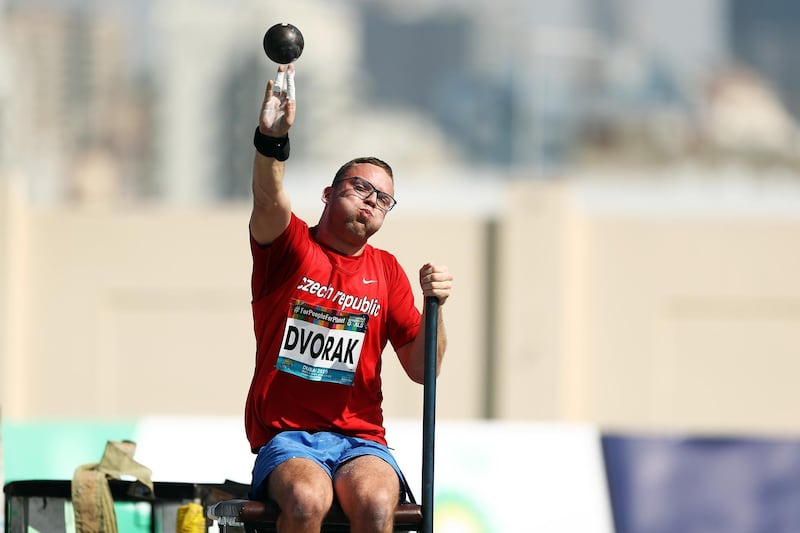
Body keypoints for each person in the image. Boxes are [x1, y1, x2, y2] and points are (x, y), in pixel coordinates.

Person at [244, 63, 453, 533]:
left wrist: (434, 310)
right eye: (360, 187)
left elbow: (424, 372)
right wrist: (270, 139)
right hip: (289, 437)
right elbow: (267, 196)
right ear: (327, 193)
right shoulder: (291, 247)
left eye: (382, 199)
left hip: (360, 440)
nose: (370, 201)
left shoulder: (387, 271)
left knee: (378, 505)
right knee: (304, 498)